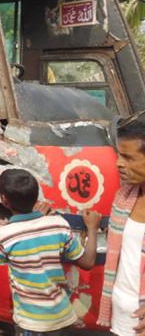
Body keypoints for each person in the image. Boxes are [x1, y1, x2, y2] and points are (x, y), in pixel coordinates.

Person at [0, 169, 100, 335]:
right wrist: (92, 228)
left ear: (4, 199)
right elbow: (87, 262)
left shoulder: (2, 235)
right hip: (62, 316)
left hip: (30, 321)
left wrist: (3, 227)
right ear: (36, 195)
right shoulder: (58, 224)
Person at [98, 117, 145, 336]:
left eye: (127, 157)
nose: (118, 163)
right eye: (119, 155)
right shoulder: (124, 196)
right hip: (122, 312)